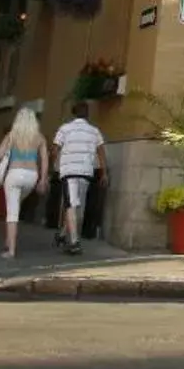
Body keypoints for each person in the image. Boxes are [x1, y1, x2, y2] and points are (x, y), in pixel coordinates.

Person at [0, 106, 47, 260]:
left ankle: (11, 250)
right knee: (17, 204)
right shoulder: (39, 137)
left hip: (14, 174)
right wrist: (43, 179)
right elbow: (44, 160)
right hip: (31, 176)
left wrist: (9, 149)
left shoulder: (12, 135)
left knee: (12, 212)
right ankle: (8, 240)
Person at [51, 103, 106, 255]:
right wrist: (104, 173)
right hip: (86, 172)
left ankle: (74, 241)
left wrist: (56, 166)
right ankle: (63, 234)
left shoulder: (65, 129)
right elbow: (101, 152)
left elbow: (55, 149)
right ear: (87, 114)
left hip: (69, 171)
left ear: (73, 113)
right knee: (77, 206)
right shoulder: (94, 131)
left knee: (71, 206)